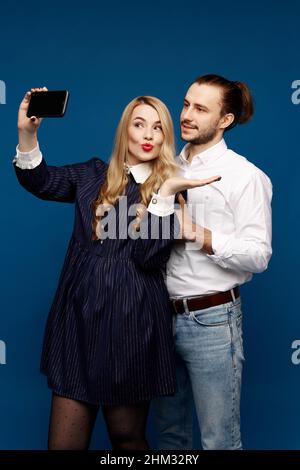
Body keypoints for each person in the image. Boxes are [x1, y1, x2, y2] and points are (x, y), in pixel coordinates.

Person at [13, 87, 220, 450]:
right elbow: (41, 181)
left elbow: (148, 258)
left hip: (134, 324)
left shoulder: (169, 192)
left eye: (157, 128)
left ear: (165, 138)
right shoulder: (91, 174)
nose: (147, 134)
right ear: (125, 130)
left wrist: (166, 192)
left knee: (127, 438)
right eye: (139, 125)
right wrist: (28, 133)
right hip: (78, 321)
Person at [153, 74, 273, 450]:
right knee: (170, 437)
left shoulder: (245, 176)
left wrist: (199, 235)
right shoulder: (164, 168)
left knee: (219, 440)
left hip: (213, 322)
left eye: (201, 109)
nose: (186, 115)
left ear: (225, 120)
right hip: (157, 316)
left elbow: (259, 254)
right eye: (186, 104)